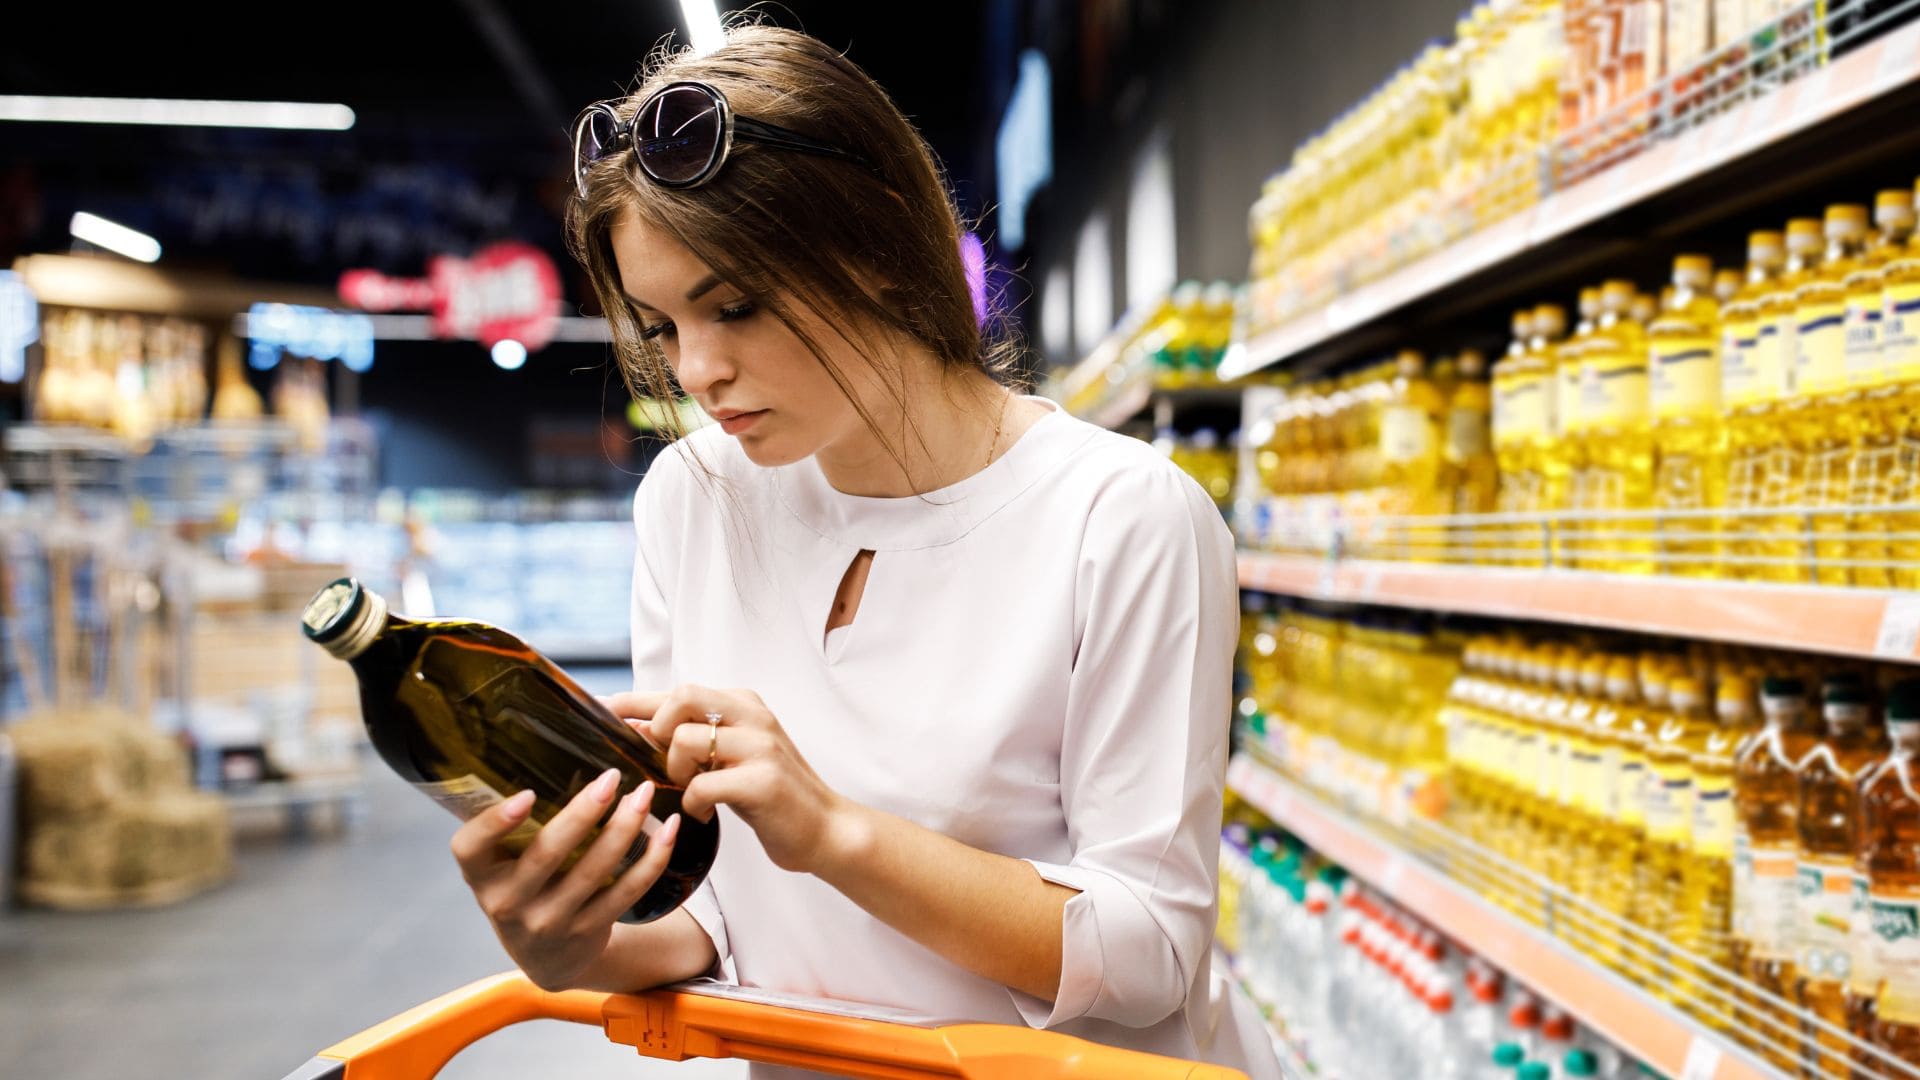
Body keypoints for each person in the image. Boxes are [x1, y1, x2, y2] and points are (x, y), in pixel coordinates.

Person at [448, 23, 1280, 1080]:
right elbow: (712, 913)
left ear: (878, 247)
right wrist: (572, 942)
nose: (697, 370)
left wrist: (836, 834)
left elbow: (1150, 952)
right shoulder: (691, 502)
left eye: (735, 306)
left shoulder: (1121, 518)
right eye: (660, 328)